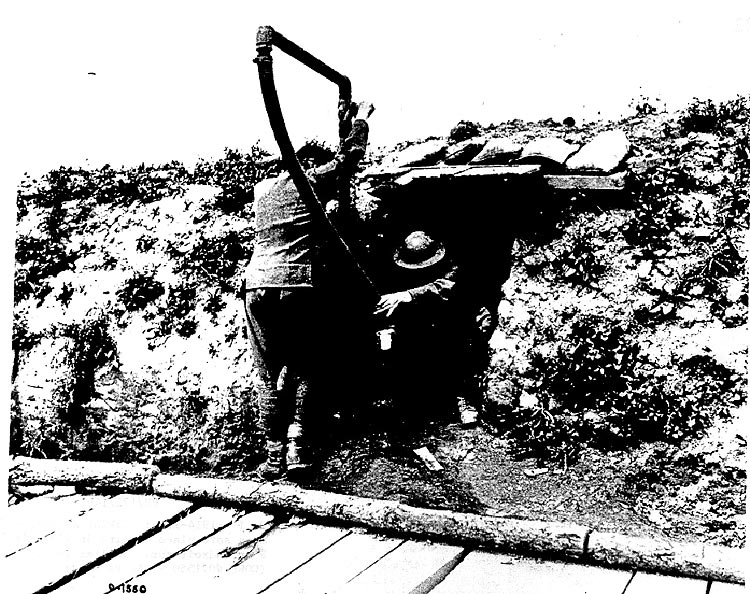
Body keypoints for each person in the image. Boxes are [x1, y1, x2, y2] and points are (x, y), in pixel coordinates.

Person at [244, 100, 375, 480]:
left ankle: (272, 458)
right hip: (295, 285)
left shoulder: (264, 191)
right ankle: (297, 449)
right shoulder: (310, 181)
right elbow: (349, 157)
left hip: (257, 285)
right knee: (304, 366)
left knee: (266, 373)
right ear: (309, 165)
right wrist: (361, 120)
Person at [374, 230, 479, 428]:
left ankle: (463, 398)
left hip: (451, 328)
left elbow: (446, 288)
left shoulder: (452, 268)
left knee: (461, 341)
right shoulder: (402, 272)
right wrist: (387, 327)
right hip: (418, 332)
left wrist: (408, 295)